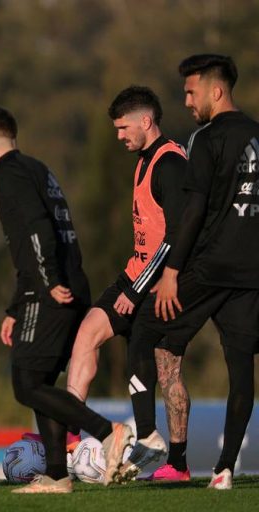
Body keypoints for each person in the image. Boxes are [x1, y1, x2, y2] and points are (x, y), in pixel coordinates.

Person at [0, 106, 133, 493]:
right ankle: (58, 475)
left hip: (51, 290)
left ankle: (107, 432)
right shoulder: (37, 169)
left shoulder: (9, 175)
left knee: (26, 384)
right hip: (64, 285)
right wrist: (16, 307)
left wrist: (50, 282)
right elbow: (45, 239)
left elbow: (40, 230)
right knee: (41, 382)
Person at [120, 54, 259, 490]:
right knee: (241, 372)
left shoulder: (205, 138)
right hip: (251, 274)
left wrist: (173, 270)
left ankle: (160, 447)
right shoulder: (257, 135)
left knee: (146, 330)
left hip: (208, 266)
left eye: (190, 92)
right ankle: (224, 470)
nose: (186, 101)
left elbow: (194, 208)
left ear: (215, 92)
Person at [65, 86, 191, 481]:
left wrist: (137, 291)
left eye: (123, 127)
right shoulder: (142, 160)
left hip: (162, 283)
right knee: (87, 333)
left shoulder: (170, 164)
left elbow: (175, 237)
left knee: (161, 368)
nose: (119, 135)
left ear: (146, 122)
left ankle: (172, 458)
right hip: (134, 273)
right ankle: (69, 441)